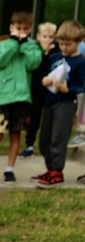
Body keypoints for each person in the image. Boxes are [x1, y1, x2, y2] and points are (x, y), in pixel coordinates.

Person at [0, 11, 42, 183]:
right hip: (1, 98)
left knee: (15, 135)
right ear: (11, 27)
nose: (21, 32)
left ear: (30, 29)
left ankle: (9, 170)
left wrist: (25, 45)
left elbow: (33, 63)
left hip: (21, 98)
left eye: (25, 29)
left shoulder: (32, 47)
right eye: (18, 28)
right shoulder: (2, 44)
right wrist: (13, 43)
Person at [37, 19, 85, 188]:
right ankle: (50, 168)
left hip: (66, 104)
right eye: (61, 43)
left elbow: (81, 85)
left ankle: (57, 171)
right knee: (45, 138)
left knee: (59, 136)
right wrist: (44, 80)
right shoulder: (55, 56)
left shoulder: (80, 61)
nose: (64, 47)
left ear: (79, 42)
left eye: (68, 44)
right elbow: (45, 73)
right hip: (50, 102)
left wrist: (68, 89)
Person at [25, 22, 57, 157]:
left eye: (51, 36)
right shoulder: (35, 50)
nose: (47, 39)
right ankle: (29, 144)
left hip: (52, 90)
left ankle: (49, 145)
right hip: (36, 90)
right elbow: (33, 66)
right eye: (45, 36)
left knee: (50, 120)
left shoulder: (57, 52)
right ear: (38, 36)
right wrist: (43, 52)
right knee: (34, 118)